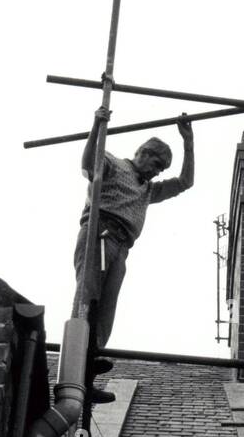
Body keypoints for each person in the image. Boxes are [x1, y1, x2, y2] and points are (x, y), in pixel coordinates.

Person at [73, 110, 194, 398]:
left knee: (107, 308)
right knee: (89, 295)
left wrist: (188, 142)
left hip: (122, 246)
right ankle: (75, 366)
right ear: (141, 152)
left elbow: (185, 182)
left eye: (162, 169)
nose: (157, 171)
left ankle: (88, 371)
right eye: (156, 163)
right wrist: (97, 124)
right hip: (99, 234)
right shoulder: (114, 164)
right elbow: (89, 166)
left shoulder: (148, 190)